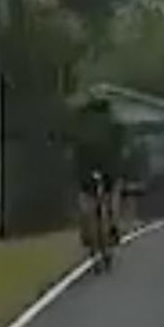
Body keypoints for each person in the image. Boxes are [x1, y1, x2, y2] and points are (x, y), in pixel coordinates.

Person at [69, 98, 125, 262]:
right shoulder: (113, 123)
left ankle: (86, 233)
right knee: (113, 194)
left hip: (86, 168)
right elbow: (120, 147)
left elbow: (74, 148)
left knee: (86, 199)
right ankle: (114, 225)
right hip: (108, 168)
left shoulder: (81, 123)